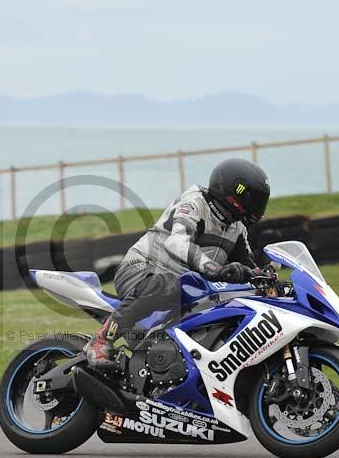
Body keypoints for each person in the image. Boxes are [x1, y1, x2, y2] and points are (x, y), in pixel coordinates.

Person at [83, 158, 271, 369]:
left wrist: (267, 279)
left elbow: (246, 264)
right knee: (166, 286)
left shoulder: (236, 227)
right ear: (235, 192)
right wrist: (214, 269)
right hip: (141, 268)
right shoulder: (194, 203)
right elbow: (177, 241)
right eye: (254, 198)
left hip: (183, 285)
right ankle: (101, 340)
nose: (258, 205)